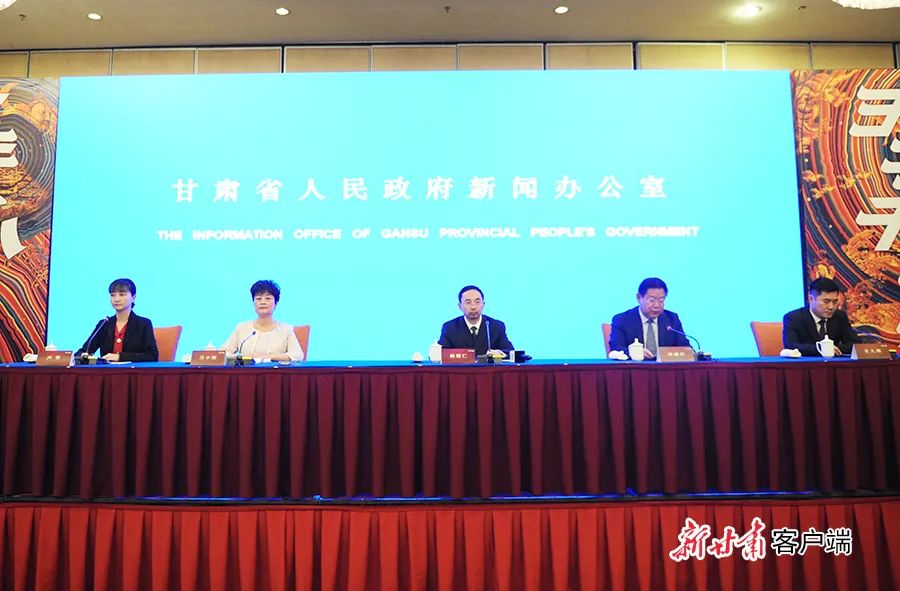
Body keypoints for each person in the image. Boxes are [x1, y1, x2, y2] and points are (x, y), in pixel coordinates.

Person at [75, 278, 159, 362]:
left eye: (122, 294)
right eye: (112, 295)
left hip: (133, 370)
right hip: (107, 370)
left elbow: (152, 356)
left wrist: (120, 357)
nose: (116, 299)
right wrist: (83, 356)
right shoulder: (104, 324)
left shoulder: (143, 324)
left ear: (133, 297)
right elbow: (83, 352)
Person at [608, 277, 690, 359]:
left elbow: (685, 348)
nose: (657, 305)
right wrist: (634, 353)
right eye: (652, 300)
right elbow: (616, 348)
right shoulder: (622, 320)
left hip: (664, 366)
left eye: (661, 300)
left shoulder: (672, 319)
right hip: (635, 366)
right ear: (639, 298)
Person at [223, 280, 305, 361]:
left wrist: (266, 357)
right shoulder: (241, 328)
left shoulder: (286, 329)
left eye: (268, 298)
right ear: (253, 303)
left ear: (276, 304)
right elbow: (224, 353)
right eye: (258, 298)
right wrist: (241, 358)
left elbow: (297, 355)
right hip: (247, 370)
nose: (262, 302)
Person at [783, 277, 859, 357]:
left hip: (833, 363)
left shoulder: (839, 316)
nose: (831, 307)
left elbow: (855, 344)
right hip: (806, 363)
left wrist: (834, 349)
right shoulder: (793, 318)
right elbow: (790, 345)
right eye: (826, 301)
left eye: (835, 301)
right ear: (811, 299)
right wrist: (822, 349)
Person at [438, 285, 514, 355]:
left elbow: (510, 352)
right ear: (460, 306)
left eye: (477, 302)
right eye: (468, 302)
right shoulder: (450, 328)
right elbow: (441, 354)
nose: (473, 307)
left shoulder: (496, 326)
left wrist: (499, 353)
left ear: (483, 304)